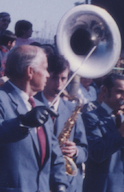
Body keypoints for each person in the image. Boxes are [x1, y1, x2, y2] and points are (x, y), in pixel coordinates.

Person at [0, 45, 69, 191]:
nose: (48, 75)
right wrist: (22, 122)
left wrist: (60, 184)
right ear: (30, 71)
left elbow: (55, 155)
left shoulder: (39, 106)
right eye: (45, 68)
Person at [82, 73, 124, 192]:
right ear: (104, 90)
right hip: (104, 187)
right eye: (119, 92)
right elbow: (97, 154)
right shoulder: (90, 117)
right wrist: (122, 132)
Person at [35, 53, 87, 192]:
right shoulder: (30, 104)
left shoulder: (72, 108)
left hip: (68, 183)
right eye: (54, 78)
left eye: (63, 78)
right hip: (38, 182)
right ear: (45, 75)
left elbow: (85, 149)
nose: (59, 84)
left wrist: (76, 151)